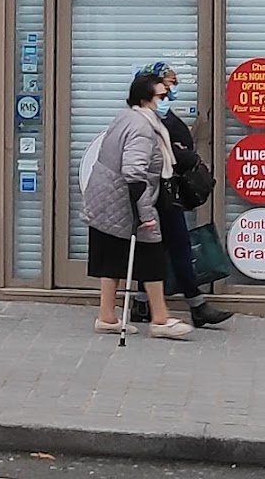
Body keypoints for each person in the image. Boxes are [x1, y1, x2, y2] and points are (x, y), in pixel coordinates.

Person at [81, 73, 192, 339]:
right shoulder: (143, 127)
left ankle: (107, 316)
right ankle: (160, 319)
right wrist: (145, 215)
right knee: (152, 258)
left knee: (111, 257)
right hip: (125, 201)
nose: (166, 100)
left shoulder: (126, 117)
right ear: (145, 99)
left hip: (105, 199)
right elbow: (134, 173)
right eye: (161, 96)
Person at [130, 61, 232, 329]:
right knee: (177, 246)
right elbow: (168, 155)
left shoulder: (155, 115)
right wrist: (186, 155)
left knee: (157, 247)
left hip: (162, 190)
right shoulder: (149, 119)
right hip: (161, 192)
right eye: (168, 84)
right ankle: (196, 305)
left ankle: (142, 302)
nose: (172, 89)